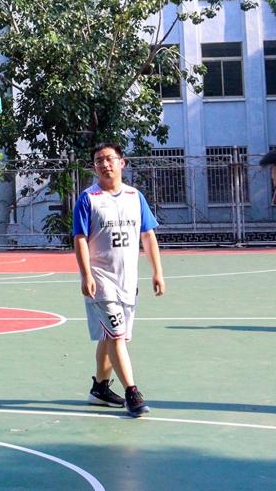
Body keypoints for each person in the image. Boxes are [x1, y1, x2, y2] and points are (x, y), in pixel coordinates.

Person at [73, 142, 165, 418]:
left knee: (111, 335)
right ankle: (132, 392)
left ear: (122, 163)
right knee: (117, 336)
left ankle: (100, 388)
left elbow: (147, 235)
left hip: (127, 280)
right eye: (98, 160)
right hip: (101, 280)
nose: (104, 164)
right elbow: (80, 238)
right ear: (94, 167)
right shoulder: (88, 199)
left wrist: (157, 271)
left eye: (109, 159)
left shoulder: (135, 197)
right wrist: (86, 274)